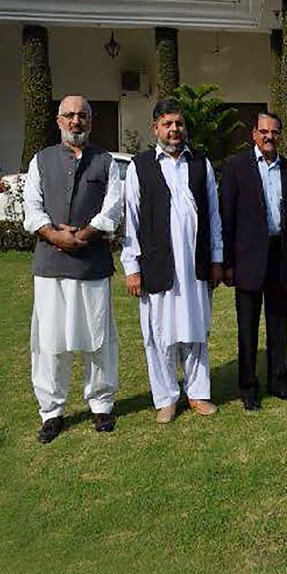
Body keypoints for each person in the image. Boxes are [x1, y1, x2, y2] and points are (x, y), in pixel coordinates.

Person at [23, 95, 124, 443]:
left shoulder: (105, 162)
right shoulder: (41, 160)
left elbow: (113, 208)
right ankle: (51, 411)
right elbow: (32, 207)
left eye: (82, 115)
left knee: (98, 338)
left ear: (90, 121)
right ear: (59, 120)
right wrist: (55, 236)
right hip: (51, 265)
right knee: (50, 340)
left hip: (92, 264)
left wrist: (82, 235)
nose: (75, 121)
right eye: (69, 115)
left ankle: (101, 404)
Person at [121, 97, 223, 423]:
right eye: (167, 124)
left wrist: (217, 258)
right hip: (158, 265)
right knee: (159, 334)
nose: (174, 129)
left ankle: (198, 393)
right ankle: (165, 398)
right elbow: (132, 219)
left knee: (196, 330)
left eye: (179, 123)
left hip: (195, 265)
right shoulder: (140, 166)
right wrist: (131, 267)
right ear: (155, 128)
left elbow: (214, 215)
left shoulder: (201, 164)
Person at [220, 111, 287, 410]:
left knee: (278, 323)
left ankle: (279, 383)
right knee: (248, 328)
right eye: (264, 131)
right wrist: (227, 263)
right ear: (254, 134)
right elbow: (226, 217)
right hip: (247, 258)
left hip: (279, 255)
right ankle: (248, 389)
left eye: (275, 132)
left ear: (280, 135)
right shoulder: (236, 167)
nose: (270, 137)